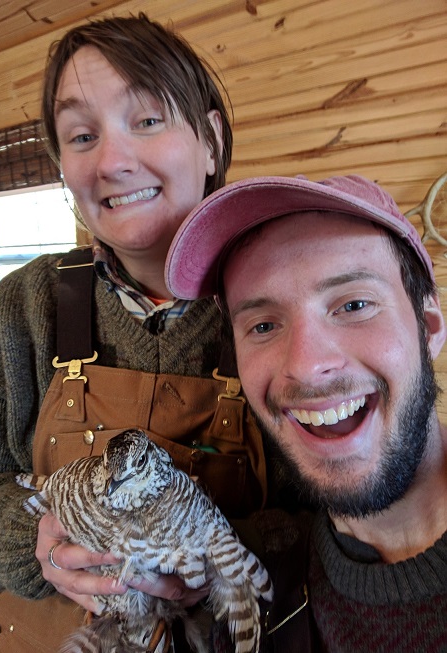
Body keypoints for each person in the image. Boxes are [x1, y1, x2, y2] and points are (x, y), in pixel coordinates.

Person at [0, 14, 272, 652]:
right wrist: (33, 542)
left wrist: (224, 560)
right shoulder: (26, 307)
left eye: (148, 120)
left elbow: (348, 511)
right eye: (80, 135)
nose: (111, 161)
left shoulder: (278, 301)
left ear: (210, 139)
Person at [166, 174, 447, 651]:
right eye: (264, 325)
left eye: (353, 304)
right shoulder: (248, 609)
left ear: (428, 326)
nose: (306, 366)